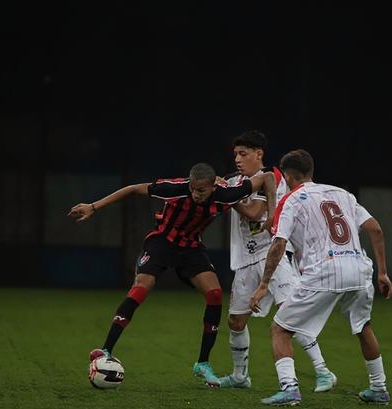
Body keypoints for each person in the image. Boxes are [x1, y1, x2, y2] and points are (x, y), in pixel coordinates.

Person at [68, 162, 276, 385]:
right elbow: (133, 189)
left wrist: (272, 213)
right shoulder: (175, 188)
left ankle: (202, 364)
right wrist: (93, 206)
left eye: (201, 190)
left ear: (212, 187)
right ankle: (106, 350)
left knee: (215, 294)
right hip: (162, 243)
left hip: (191, 248)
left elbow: (268, 177)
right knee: (141, 288)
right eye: (193, 189)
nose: (195, 194)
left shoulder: (226, 194)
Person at [250, 149, 392, 406]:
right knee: (363, 327)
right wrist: (382, 272)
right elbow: (375, 229)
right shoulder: (343, 194)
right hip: (359, 269)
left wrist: (263, 285)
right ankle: (379, 388)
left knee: (280, 329)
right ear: (310, 171)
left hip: (325, 270)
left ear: (287, 176)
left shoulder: (292, 199)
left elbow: (279, 243)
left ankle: (290, 388)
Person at [216, 131, 337, 392]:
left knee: (292, 313)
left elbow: (254, 213)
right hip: (246, 259)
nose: (237, 159)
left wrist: (227, 196)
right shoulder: (235, 181)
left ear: (259, 154)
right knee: (235, 321)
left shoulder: (273, 178)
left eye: (243, 154)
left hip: (273, 254)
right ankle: (240, 376)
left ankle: (323, 371)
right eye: (235, 154)